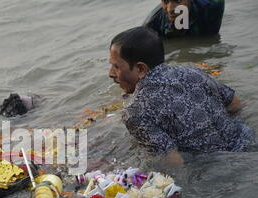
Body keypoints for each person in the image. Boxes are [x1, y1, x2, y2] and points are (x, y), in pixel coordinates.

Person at [108, 27, 255, 167]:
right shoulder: (191, 71)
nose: (110, 73)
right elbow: (236, 104)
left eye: (116, 67)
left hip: (218, 167)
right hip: (247, 140)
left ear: (140, 68)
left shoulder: (135, 112)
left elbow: (174, 162)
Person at [143, 0, 225, 37]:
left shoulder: (213, 5)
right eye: (165, 1)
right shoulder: (152, 24)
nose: (170, 9)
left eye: (177, 0)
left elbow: (212, 38)